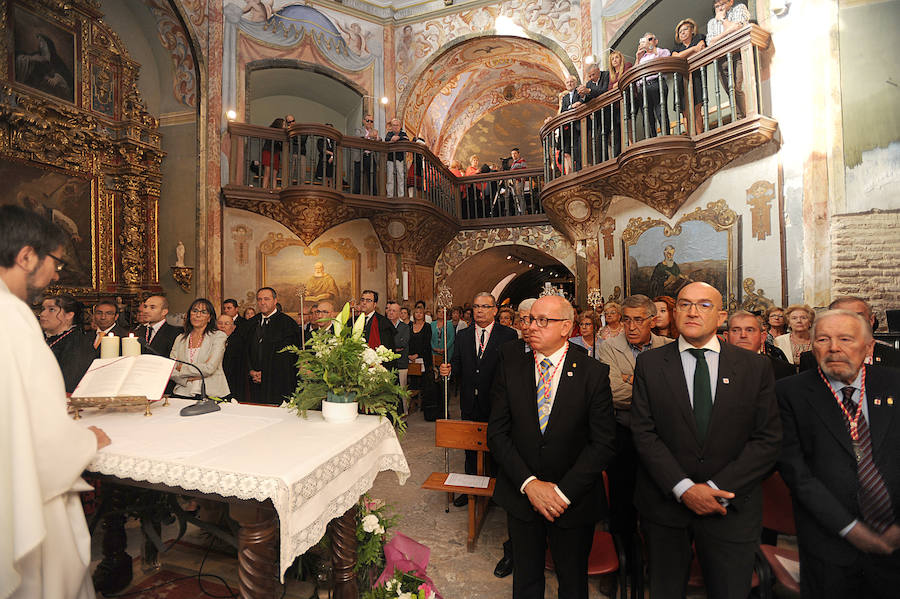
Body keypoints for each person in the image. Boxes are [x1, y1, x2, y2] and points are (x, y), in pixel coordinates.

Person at [631, 282, 781, 599]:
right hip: (666, 506)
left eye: (704, 305)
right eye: (684, 304)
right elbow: (644, 432)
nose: (692, 311)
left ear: (721, 315)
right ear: (674, 312)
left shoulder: (755, 368)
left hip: (730, 506)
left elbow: (767, 439)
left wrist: (713, 491)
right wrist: (684, 489)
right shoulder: (650, 364)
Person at [0, 204, 110, 599]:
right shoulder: (13, 320)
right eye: (56, 263)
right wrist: (87, 441)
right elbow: (44, 438)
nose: (56, 275)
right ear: (26, 256)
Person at [488, 295, 616, 599]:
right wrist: (530, 484)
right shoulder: (511, 365)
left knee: (572, 582)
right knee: (526, 580)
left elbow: (603, 443)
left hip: (572, 500)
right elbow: (498, 433)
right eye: (529, 319)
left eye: (542, 320)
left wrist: (560, 492)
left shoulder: (592, 373)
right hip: (522, 495)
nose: (531, 327)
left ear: (566, 327)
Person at [777, 309, 900, 598]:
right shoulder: (789, 393)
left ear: (869, 347)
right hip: (829, 545)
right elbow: (796, 472)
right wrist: (850, 529)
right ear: (812, 344)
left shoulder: (895, 384)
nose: (834, 348)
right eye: (823, 339)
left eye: (846, 339)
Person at [597, 294, 674, 583]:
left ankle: (659, 564)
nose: (630, 326)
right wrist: (653, 389)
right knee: (622, 502)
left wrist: (632, 380)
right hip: (623, 436)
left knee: (659, 501)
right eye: (626, 319)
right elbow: (613, 392)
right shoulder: (609, 348)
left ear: (652, 321)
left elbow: (676, 395)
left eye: (638, 319)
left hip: (661, 437)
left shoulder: (669, 347)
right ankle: (621, 565)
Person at [798, 296, 900, 371]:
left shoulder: (893, 357)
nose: (850, 322)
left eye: (857, 316)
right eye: (842, 316)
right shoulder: (812, 359)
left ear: (871, 320)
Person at [247, 287, 301, 405]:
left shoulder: (287, 324)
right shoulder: (251, 323)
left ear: (275, 301)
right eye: (259, 299)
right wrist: (251, 370)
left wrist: (265, 374)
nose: (262, 302)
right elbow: (245, 350)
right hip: (253, 383)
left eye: (266, 299)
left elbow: (288, 358)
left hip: (277, 384)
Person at [169, 298, 229, 398]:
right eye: (195, 311)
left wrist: (182, 368)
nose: (198, 315)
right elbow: (171, 369)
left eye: (203, 312)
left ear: (209, 318)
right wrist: (187, 379)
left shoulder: (218, 336)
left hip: (211, 392)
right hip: (182, 391)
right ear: (189, 315)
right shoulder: (180, 339)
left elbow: (210, 368)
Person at [39, 294, 96, 393]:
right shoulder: (41, 338)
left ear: (69, 315)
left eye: (51, 309)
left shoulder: (78, 343)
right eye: (43, 309)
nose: (43, 314)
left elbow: (69, 383)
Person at [706, 0, 749, 119]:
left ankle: (742, 117)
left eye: (722, 4)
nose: (719, 8)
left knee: (736, 87)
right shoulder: (711, 22)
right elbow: (710, 42)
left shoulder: (739, 8)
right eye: (717, 6)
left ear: (731, 2)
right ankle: (739, 117)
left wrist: (723, 20)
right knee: (729, 90)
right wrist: (727, 31)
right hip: (721, 59)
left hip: (737, 54)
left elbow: (738, 28)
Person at [726, 310, 795, 379]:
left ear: (763, 337)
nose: (743, 335)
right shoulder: (717, 364)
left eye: (750, 330)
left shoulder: (783, 369)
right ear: (726, 336)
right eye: (736, 330)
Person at [671, 18, 707, 135]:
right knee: (685, 112)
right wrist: (692, 49)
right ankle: (691, 136)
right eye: (680, 31)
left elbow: (701, 48)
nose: (682, 32)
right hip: (681, 80)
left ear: (692, 30)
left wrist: (685, 55)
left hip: (696, 77)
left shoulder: (699, 38)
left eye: (685, 29)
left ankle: (700, 135)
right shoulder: (676, 47)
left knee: (697, 109)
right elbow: (676, 58)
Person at [635, 33, 672, 138]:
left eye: (650, 39)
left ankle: (666, 137)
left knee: (661, 112)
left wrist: (651, 48)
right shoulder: (642, 58)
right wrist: (637, 58)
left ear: (656, 41)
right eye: (645, 40)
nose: (648, 42)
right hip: (643, 88)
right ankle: (651, 140)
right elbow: (635, 72)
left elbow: (666, 57)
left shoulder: (661, 51)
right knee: (647, 117)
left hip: (657, 83)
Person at [216, 313, 248, 402]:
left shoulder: (238, 342)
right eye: (220, 323)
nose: (222, 326)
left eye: (226, 324)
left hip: (233, 382)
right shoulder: (211, 340)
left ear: (233, 327)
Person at [608, 50, 633, 156]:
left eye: (616, 57)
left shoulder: (627, 65)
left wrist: (616, 85)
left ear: (621, 58)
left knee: (628, 123)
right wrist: (615, 86)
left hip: (628, 99)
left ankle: (631, 145)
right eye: (612, 59)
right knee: (618, 128)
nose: (615, 60)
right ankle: (622, 150)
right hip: (617, 105)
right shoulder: (611, 76)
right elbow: (609, 89)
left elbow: (626, 78)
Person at [559, 75, 584, 174]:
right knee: (567, 151)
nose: (569, 84)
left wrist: (574, 105)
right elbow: (562, 112)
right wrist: (571, 106)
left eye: (571, 82)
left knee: (578, 150)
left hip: (578, 126)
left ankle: (579, 170)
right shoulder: (565, 98)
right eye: (567, 82)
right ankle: (570, 172)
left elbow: (582, 102)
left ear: (575, 83)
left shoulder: (579, 92)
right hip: (568, 129)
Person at [358, 290, 396, 355]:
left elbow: (388, 348)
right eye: (362, 300)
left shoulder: (384, 323)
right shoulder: (353, 320)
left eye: (368, 300)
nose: (364, 303)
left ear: (375, 304)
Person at [386, 300, 410, 390]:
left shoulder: (405, 327)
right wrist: (394, 347)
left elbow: (402, 343)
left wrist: (390, 347)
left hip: (401, 364)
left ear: (399, 313)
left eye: (394, 311)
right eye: (389, 310)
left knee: (401, 391)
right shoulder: (384, 326)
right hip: (387, 364)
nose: (391, 313)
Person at [353, 113, 379, 194]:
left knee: (372, 178)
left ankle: (373, 197)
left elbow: (379, 139)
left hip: (371, 157)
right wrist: (368, 136)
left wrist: (377, 138)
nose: (369, 123)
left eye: (371, 121)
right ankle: (356, 196)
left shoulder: (374, 131)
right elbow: (358, 137)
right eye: (368, 120)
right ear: (363, 121)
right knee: (358, 177)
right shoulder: (359, 129)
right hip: (360, 156)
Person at [384, 117, 409, 197]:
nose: (395, 127)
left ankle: (401, 196)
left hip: (400, 159)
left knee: (401, 178)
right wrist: (392, 139)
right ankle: (389, 196)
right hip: (390, 159)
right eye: (393, 125)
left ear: (400, 126)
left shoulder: (403, 134)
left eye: (397, 125)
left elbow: (407, 140)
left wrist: (398, 138)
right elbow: (387, 140)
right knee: (390, 179)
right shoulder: (389, 134)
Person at [260, 117, 285, 189]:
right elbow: (270, 142)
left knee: (275, 173)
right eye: (283, 124)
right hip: (268, 151)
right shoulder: (271, 130)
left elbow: (281, 147)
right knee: (267, 171)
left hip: (276, 153)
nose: (284, 126)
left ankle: (274, 189)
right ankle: (264, 189)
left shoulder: (282, 134)